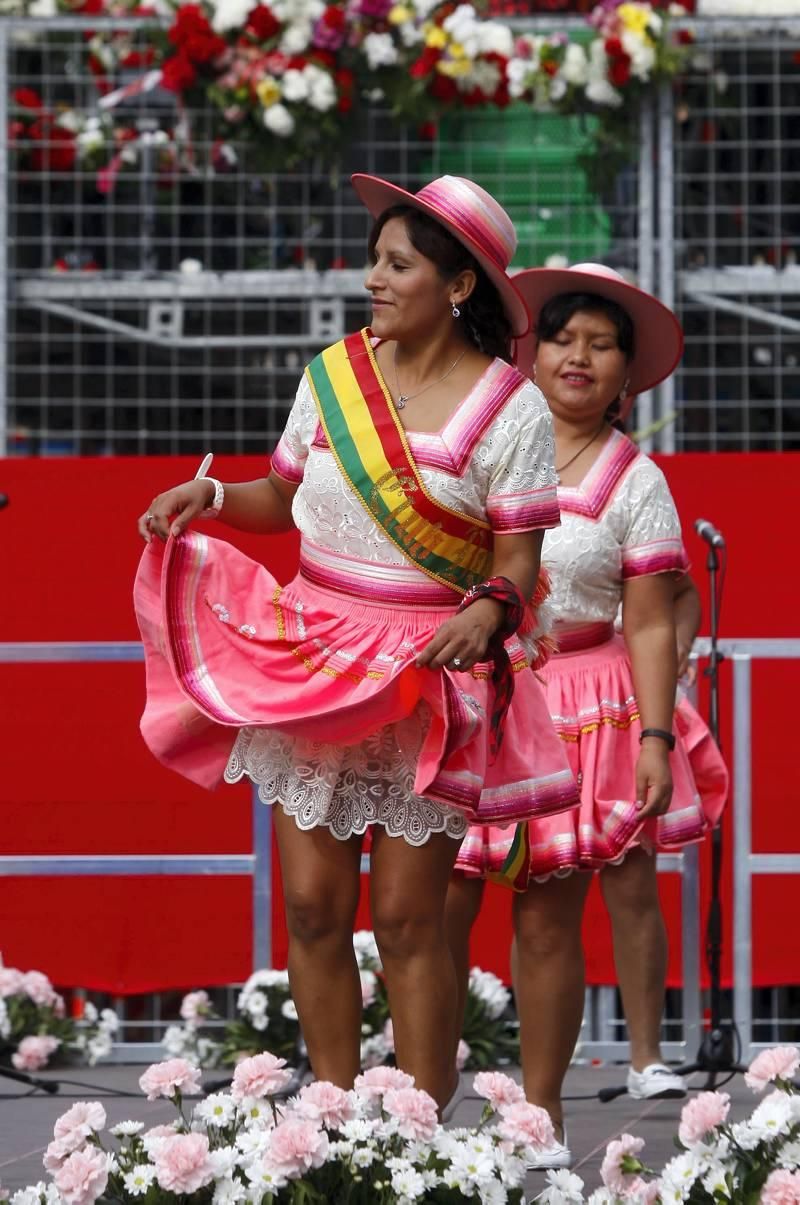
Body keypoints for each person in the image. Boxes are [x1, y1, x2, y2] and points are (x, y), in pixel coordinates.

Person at [133, 175, 580, 1111]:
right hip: (313, 664)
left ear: (458, 286)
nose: (372, 277)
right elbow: (280, 499)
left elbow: (518, 562)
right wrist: (210, 497)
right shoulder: (332, 375)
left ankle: (415, 1133)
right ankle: (336, 1118)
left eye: (397, 263)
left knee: (411, 920)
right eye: (375, 259)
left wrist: (487, 611)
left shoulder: (510, 408)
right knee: (309, 909)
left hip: (427, 675)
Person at [446, 263, 728, 1161]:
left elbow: (655, 615)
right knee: (432, 908)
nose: (578, 356)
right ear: (528, 353)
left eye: (600, 345)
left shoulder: (635, 480)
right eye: (563, 337)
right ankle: (414, 1103)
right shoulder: (483, 443)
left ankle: (542, 1122)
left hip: (580, 707)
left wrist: (655, 733)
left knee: (547, 914)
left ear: (624, 373)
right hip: (469, 695)